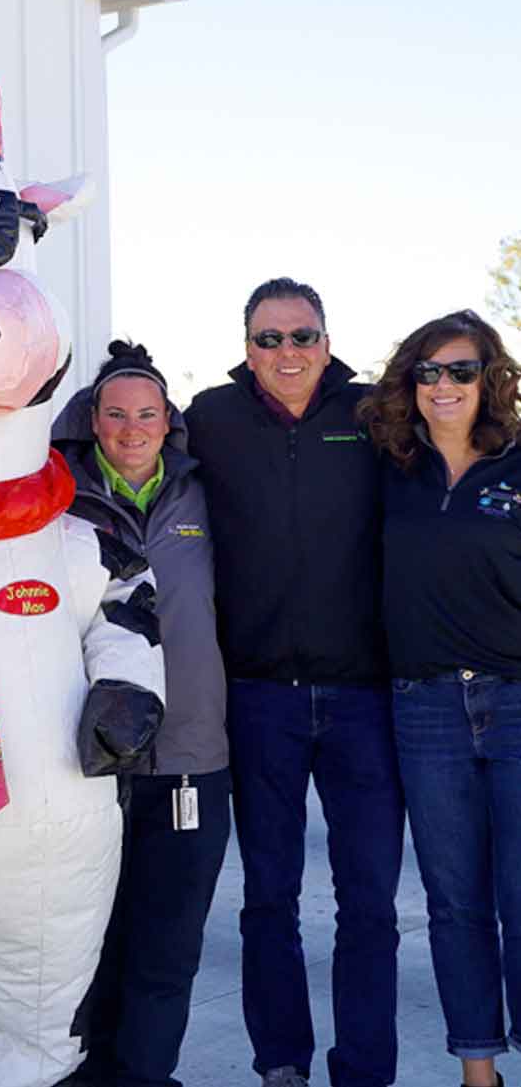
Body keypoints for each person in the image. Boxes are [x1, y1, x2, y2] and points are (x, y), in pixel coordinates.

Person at [184, 277, 403, 1087]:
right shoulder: (210, 416)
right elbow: (122, 448)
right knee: (269, 897)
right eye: (268, 339)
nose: (287, 352)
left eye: (302, 336)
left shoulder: (375, 413)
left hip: (364, 697)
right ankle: (282, 1061)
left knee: (370, 902)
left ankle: (365, 1069)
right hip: (258, 695)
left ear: (327, 338)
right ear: (246, 347)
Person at [52, 341, 230, 1087]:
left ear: (169, 423)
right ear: (94, 420)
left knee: (167, 946)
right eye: (117, 413)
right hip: (83, 767)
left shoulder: (205, 494)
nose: (132, 428)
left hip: (190, 760)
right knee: (85, 944)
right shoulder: (54, 497)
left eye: (147, 415)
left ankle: (146, 1076)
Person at [359, 309, 521, 1087]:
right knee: (455, 901)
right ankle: (478, 1072)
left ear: (488, 378)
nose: (445, 384)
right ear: (411, 383)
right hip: (424, 710)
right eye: (430, 371)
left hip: (518, 704)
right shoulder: (393, 468)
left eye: (461, 369)